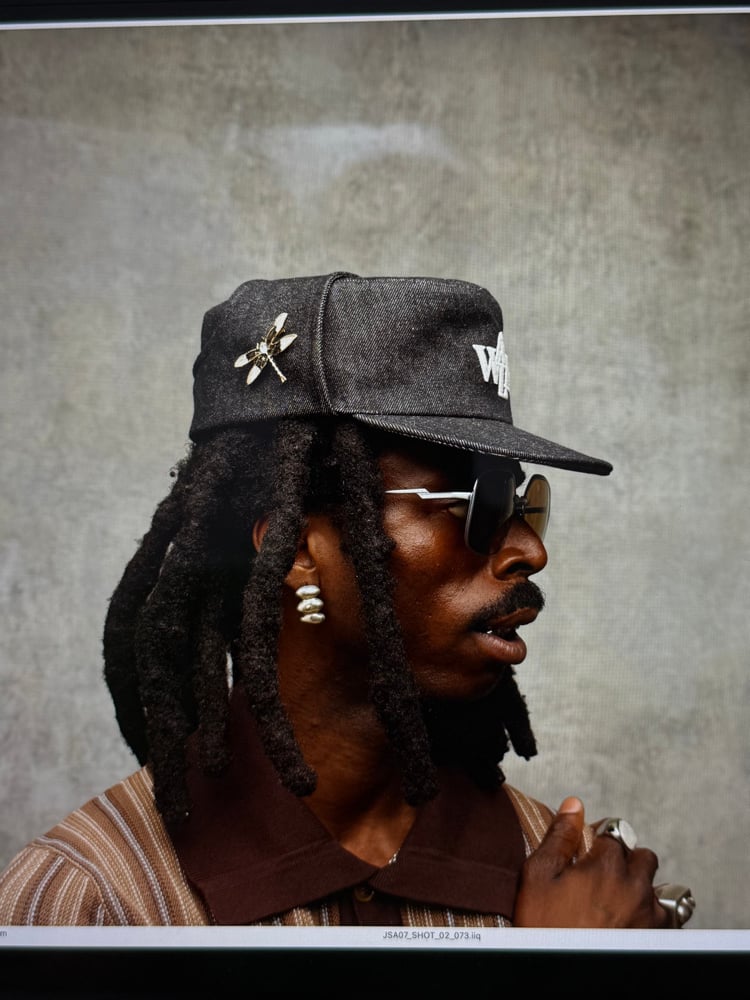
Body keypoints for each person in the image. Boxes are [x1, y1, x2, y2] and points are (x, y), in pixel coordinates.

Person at [0, 273, 694, 928]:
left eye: (522, 502)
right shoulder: (90, 900)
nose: (529, 551)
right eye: (477, 502)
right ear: (299, 550)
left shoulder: (570, 882)